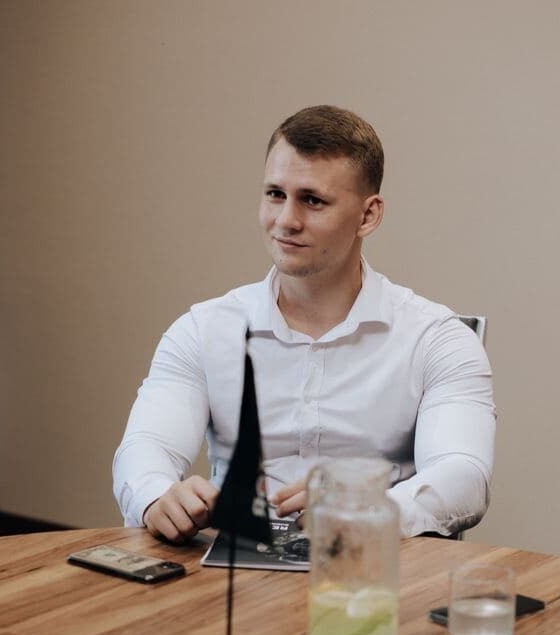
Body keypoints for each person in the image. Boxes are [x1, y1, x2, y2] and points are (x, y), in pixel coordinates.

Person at [112, 105, 495, 543]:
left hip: (373, 565)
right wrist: (156, 495)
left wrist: (362, 506)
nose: (286, 221)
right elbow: (146, 449)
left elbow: (465, 476)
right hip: (230, 569)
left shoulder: (438, 339)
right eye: (275, 194)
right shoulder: (201, 330)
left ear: (368, 215)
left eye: (312, 201)